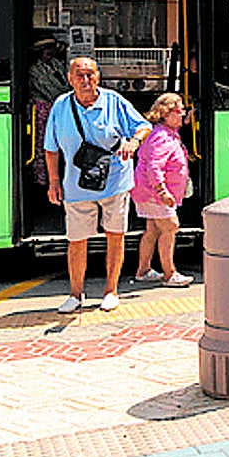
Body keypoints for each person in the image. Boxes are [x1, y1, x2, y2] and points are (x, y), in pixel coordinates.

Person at [44, 57, 152, 314]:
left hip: (115, 182)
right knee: (77, 240)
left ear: (98, 77)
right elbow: (51, 148)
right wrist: (53, 182)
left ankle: (111, 291)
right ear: (69, 79)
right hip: (77, 185)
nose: (85, 80)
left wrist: (134, 142)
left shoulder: (114, 101)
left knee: (115, 236)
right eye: (79, 75)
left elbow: (144, 126)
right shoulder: (61, 105)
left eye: (90, 75)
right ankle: (75, 293)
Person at [130, 93, 194, 288]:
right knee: (170, 226)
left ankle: (144, 270)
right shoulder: (161, 137)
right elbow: (154, 167)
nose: (183, 114)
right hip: (153, 192)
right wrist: (162, 191)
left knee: (153, 229)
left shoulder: (164, 133)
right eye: (179, 110)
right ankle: (170, 274)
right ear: (166, 114)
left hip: (147, 191)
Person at [28, 38, 69, 187]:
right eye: (45, 48)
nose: (49, 51)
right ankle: (42, 181)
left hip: (59, 109)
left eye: (51, 48)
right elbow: (51, 91)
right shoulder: (35, 69)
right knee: (43, 145)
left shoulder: (57, 65)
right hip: (42, 110)